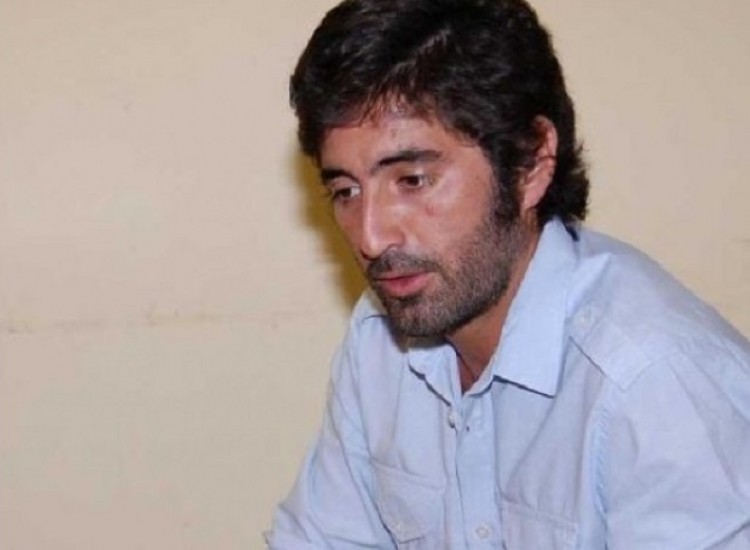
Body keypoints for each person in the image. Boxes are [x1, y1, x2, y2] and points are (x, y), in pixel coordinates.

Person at [266, 0, 750, 547]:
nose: (371, 238)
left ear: (530, 164)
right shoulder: (380, 338)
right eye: (345, 191)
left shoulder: (654, 385)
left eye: (413, 180)